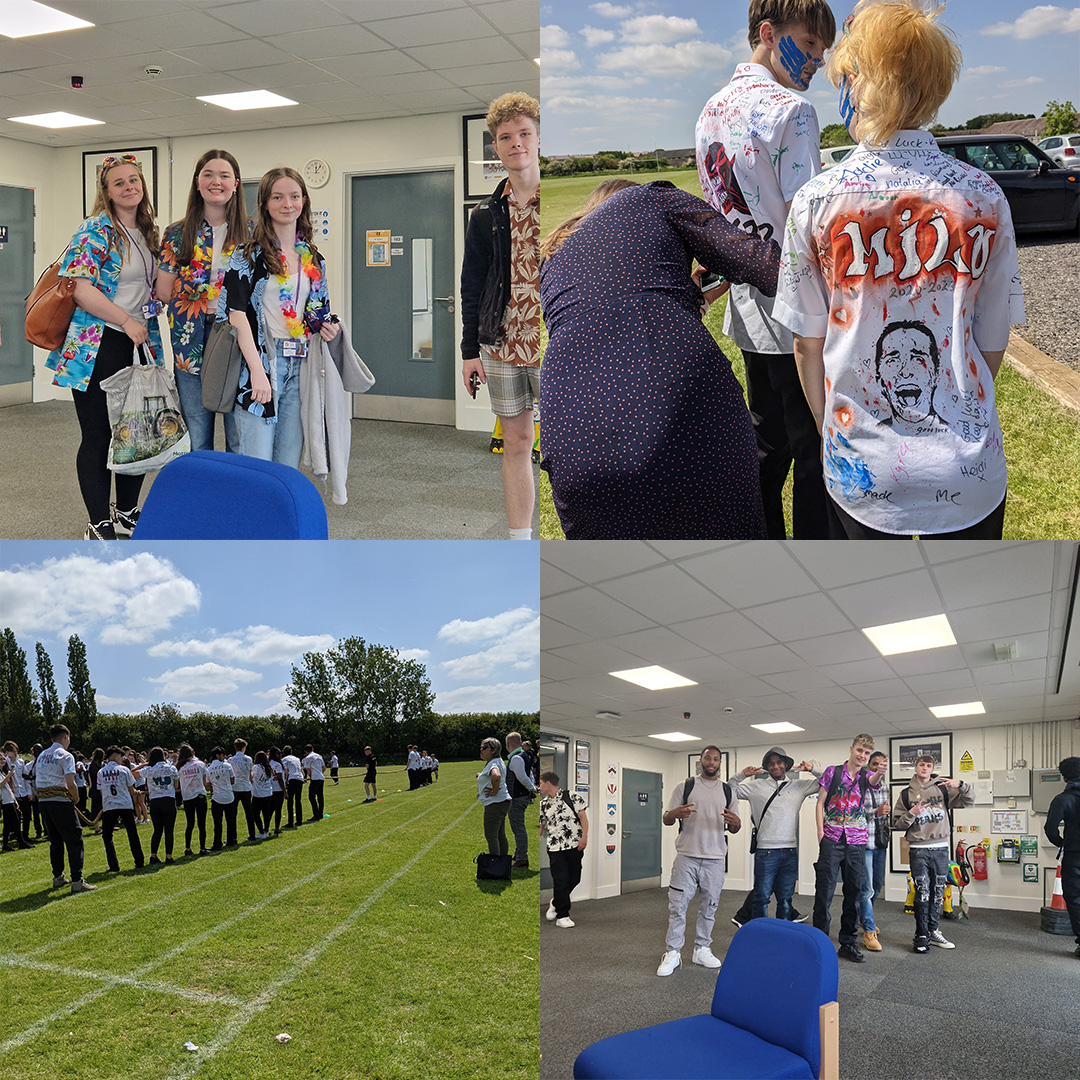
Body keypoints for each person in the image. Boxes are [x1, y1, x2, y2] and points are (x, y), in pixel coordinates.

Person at [773, 0, 1023, 538]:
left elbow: (806, 343)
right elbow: (993, 337)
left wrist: (826, 431)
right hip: (969, 461)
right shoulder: (984, 196)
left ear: (858, 83)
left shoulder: (817, 199)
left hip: (860, 462)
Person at [539, 179, 781, 539]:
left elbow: (612, 322)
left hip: (572, 432)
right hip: (682, 411)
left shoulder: (553, 256)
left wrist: (688, 297)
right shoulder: (651, 196)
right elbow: (761, 264)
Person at [696, 0, 836, 540]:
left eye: (822, 53)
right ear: (768, 33)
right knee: (813, 450)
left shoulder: (710, 110)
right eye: (809, 44)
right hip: (798, 307)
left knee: (767, 443)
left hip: (747, 305)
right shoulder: (792, 112)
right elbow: (808, 222)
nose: (816, 62)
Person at [45, 153, 165, 539]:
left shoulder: (148, 231)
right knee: (99, 436)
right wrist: (126, 319)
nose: (130, 187)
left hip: (139, 341)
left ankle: (127, 511)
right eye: (120, 183)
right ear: (107, 192)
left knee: (138, 431)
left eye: (134, 180)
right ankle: (98, 522)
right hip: (99, 343)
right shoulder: (96, 229)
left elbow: (149, 285)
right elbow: (79, 287)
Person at [460, 92, 541, 540]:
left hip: (554, 342)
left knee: (574, 446)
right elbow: (470, 288)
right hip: (502, 344)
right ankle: (520, 540)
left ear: (538, 138)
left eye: (524, 133)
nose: (516, 143)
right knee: (517, 444)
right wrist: (469, 352)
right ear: (496, 146)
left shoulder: (561, 206)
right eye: (506, 137)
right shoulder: (486, 215)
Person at [220, 166, 339, 465]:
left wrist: (328, 328)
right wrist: (258, 372)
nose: (288, 204)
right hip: (260, 367)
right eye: (278, 197)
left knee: (288, 464)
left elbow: (316, 313)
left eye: (295, 196)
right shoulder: (247, 255)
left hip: (301, 367)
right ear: (265, 204)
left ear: (304, 201)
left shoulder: (313, 257)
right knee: (256, 463)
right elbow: (236, 316)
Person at [157, 149, 249, 454]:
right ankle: (204, 496)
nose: (216, 182)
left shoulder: (253, 233)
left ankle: (239, 497)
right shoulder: (177, 233)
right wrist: (194, 305)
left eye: (224, 175)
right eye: (208, 175)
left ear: (235, 183)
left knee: (238, 428)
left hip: (237, 336)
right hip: (190, 337)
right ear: (198, 182)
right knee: (197, 429)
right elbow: (164, 290)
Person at [657, 746, 741, 976]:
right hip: (687, 856)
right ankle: (673, 952)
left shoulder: (727, 791)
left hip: (715, 859)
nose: (711, 762)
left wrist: (736, 822)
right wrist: (674, 814)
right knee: (678, 906)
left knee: (710, 907)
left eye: (715, 759)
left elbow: (735, 827)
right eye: (707, 758)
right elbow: (666, 818)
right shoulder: (685, 786)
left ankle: (702, 948)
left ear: (720, 763)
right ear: (701, 761)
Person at [728, 748, 821, 925]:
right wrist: (742, 775)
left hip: (790, 851)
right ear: (767, 767)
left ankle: (783, 933)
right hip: (766, 852)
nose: (775, 766)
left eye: (779, 762)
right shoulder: (755, 787)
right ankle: (761, 935)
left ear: (786, 764)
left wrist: (812, 769)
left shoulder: (799, 787)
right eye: (771, 763)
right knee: (761, 897)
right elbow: (728, 790)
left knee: (786, 899)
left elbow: (828, 782)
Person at [813, 733, 884, 962]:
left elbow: (873, 782)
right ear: (851, 749)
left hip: (856, 840)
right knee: (825, 890)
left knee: (853, 891)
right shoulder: (832, 772)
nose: (862, 755)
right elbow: (820, 802)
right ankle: (820, 942)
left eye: (866, 753)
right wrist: (820, 831)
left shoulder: (867, 775)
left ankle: (847, 942)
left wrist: (880, 772)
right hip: (832, 837)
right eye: (859, 751)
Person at [893, 754, 973, 953]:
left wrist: (961, 784)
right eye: (922, 764)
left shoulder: (943, 789)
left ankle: (934, 931)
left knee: (938, 893)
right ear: (916, 767)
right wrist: (912, 813)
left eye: (929, 765)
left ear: (932, 768)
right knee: (922, 892)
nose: (925, 768)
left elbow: (969, 801)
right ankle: (921, 934)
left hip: (941, 848)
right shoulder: (905, 794)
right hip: (918, 849)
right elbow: (896, 823)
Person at [33, 725, 96, 893]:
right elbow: (70, 783)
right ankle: (77, 881)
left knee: (55, 840)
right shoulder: (66, 755)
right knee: (75, 839)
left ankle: (58, 877)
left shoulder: (41, 756)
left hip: (44, 803)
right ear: (66, 737)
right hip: (60, 802)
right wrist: (75, 798)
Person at [539, 771, 588, 928]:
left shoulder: (572, 796)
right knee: (560, 880)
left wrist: (584, 837)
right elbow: (541, 825)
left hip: (574, 845)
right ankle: (563, 916)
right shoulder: (543, 804)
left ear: (548, 783)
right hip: (554, 847)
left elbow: (583, 819)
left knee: (574, 878)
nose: (539, 786)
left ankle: (556, 901)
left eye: (540, 783)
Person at [1043, 757, 1080, 959]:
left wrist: (1061, 843)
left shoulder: (1062, 799)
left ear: (1064, 777)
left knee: (1075, 898)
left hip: (1075, 855)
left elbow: (1050, 828)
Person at [859, 750, 891, 951]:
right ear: (868, 766)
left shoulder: (885, 787)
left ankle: (862, 918)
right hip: (864, 844)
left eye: (881, 765)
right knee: (867, 889)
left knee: (877, 886)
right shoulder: (860, 785)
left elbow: (885, 814)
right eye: (874, 764)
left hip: (879, 843)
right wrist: (875, 812)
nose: (878, 767)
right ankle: (869, 931)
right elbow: (855, 813)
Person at [98, 745, 144, 872]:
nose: (122, 759)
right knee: (132, 834)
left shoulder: (101, 772)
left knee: (107, 837)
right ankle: (139, 861)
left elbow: (101, 792)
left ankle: (113, 865)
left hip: (109, 806)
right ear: (114, 756)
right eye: (119, 756)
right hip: (125, 805)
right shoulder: (124, 770)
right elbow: (131, 790)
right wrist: (137, 793)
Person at [505, 731, 538, 868]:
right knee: (519, 828)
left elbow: (522, 777)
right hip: (521, 796)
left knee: (518, 828)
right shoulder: (523, 755)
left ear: (507, 744)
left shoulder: (516, 758)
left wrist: (532, 789)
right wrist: (532, 787)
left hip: (517, 797)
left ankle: (522, 858)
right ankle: (518, 853)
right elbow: (529, 774)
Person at [144, 746, 179, 864]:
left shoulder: (149, 769)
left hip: (155, 801)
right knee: (169, 830)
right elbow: (176, 785)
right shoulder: (171, 768)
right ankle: (168, 856)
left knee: (157, 830)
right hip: (168, 799)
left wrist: (145, 764)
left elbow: (132, 773)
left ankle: (153, 856)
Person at [477, 737, 512, 857]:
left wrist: (494, 791)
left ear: (493, 750)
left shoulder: (494, 763)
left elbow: (496, 776)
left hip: (495, 803)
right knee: (499, 834)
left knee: (491, 835)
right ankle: (502, 864)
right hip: (502, 802)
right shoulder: (497, 761)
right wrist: (480, 775)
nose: (481, 750)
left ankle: (495, 865)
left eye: (484, 748)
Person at [177, 743, 211, 857]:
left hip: (187, 797)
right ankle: (202, 848)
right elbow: (205, 781)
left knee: (190, 824)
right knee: (202, 824)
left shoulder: (180, 767)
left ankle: (187, 848)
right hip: (200, 795)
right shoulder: (200, 764)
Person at [206, 746, 237, 849]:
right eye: (222, 755)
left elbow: (208, 786)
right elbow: (232, 781)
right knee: (230, 821)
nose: (224, 757)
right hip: (229, 796)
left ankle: (217, 843)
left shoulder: (209, 769)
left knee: (217, 823)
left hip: (217, 797)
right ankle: (231, 840)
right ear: (217, 755)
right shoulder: (228, 766)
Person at [228, 738, 256, 843]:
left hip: (235, 788)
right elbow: (250, 775)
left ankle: (233, 837)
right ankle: (252, 834)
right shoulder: (248, 759)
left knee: (233, 814)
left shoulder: (230, 760)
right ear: (243, 748)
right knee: (249, 813)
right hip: (246, 787)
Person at [251, 751, 275, 839]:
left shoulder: (255, 767)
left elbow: (251, 777)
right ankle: (266, 830)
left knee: (255, 814)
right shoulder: (268, 767)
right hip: (268, 792)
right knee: (266, 813)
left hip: (258, 793)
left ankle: (261, 831)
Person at [281, 745, 304, 827]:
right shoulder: (297, 758)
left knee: (290, 801)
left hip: (292, 779)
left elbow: (286, 771)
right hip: (300, 778)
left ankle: (290, 822)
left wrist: (285, 782)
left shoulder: (284, 760)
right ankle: (299, 821)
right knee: (298, 800)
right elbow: (301, 769)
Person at [302, 744, 325, 821]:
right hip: (321, 777)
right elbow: (324, 768)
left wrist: (311, 776)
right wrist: (320, 773)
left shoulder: (308, 758)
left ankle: (316, 815)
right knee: (320, 796)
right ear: (313, 749)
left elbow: (308, 770)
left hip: (314, 778)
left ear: (306, 751)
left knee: (311, 797)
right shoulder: (319, 756)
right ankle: (320, 813)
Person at [269, 747, 286, 835]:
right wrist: (284, 791)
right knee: (278, 810)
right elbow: (280, 779)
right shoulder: (278, 765)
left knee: (269, 810)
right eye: (278, 753)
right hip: (278, 790)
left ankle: (266, 828)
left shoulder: (268, 763)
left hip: (269, 789)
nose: (280, 755)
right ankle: (276, 828)